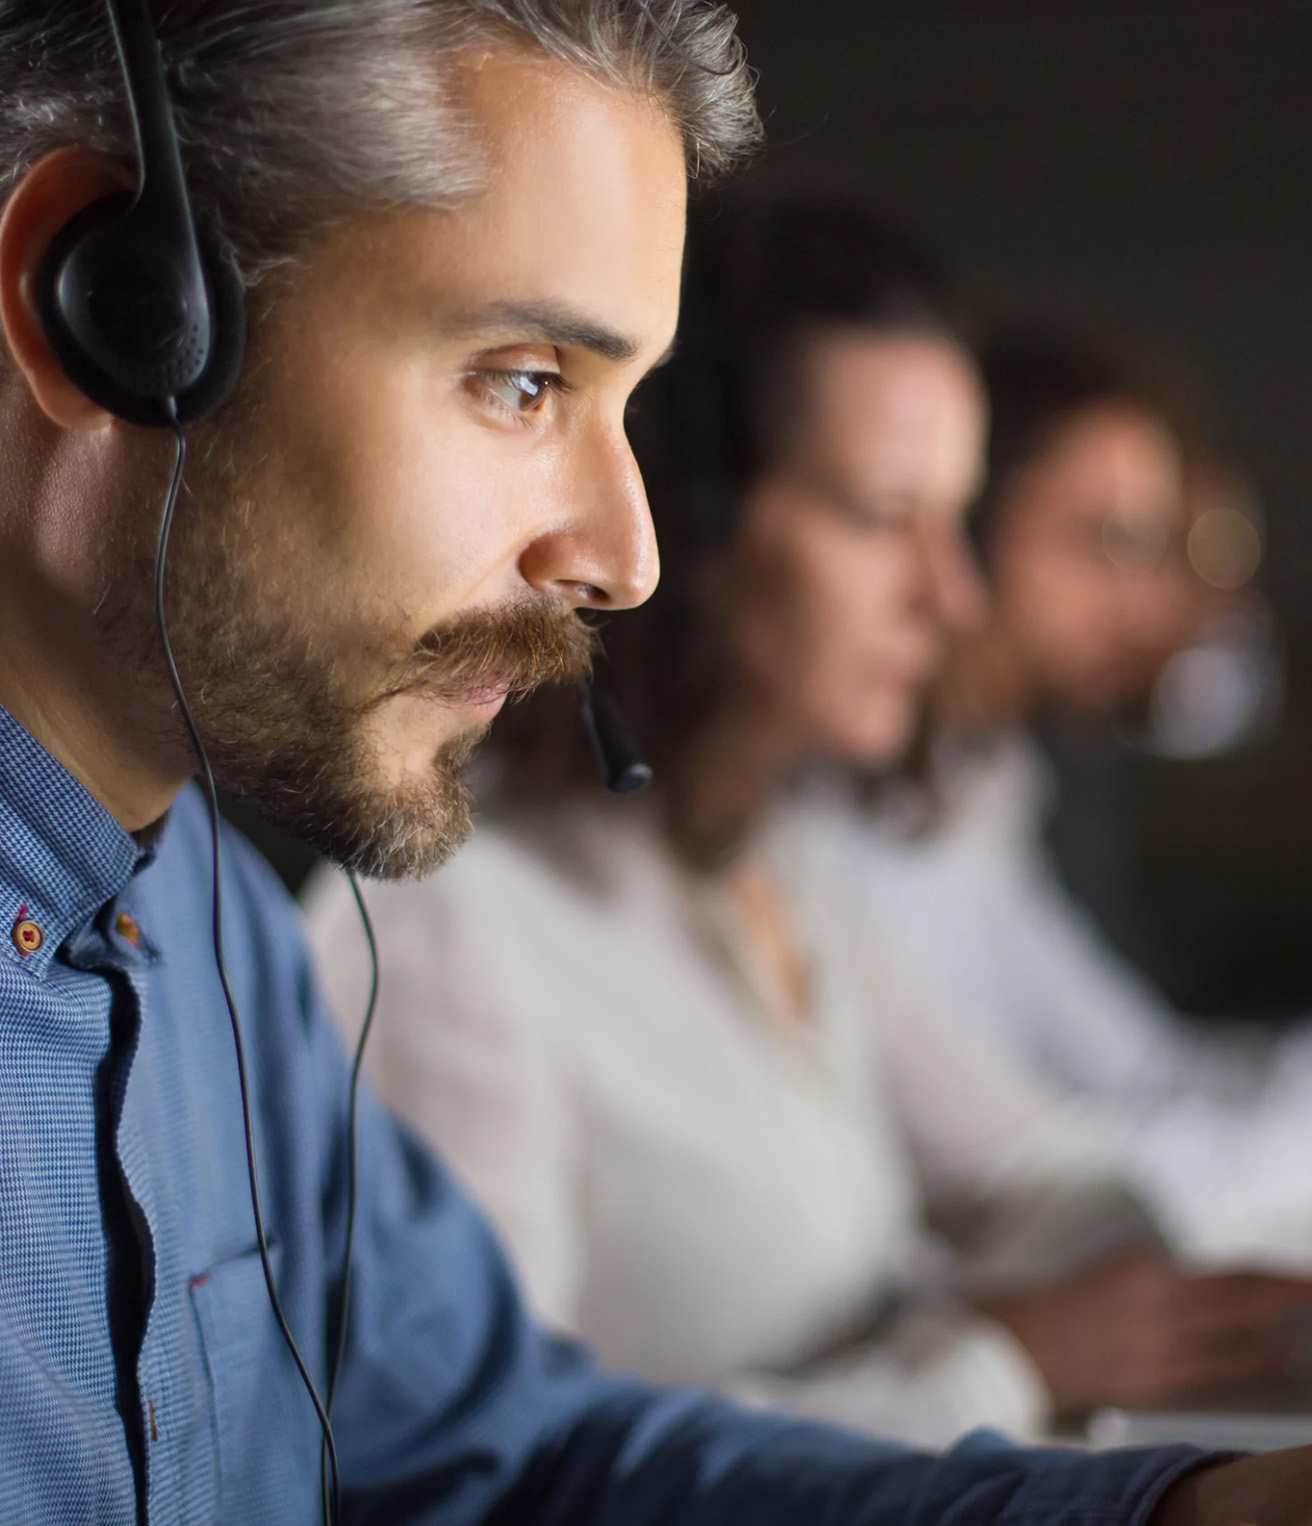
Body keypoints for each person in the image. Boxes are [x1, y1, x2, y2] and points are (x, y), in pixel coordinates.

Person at [4, 3, 1311, 1521]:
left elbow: (526, 1458)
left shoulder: (214, 931)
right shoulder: (423, 938)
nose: (627, 559)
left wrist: (1205, 1508)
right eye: (523, 378)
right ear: (110, 309)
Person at [307, 196, 1312, 1456]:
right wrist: (990, 1360)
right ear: (701, 528)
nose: (951, 596)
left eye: (954, 524)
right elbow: (487, 1469)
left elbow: (1049, 1173)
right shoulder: (456, 924)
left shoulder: (770, 874)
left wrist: (1217, 1307)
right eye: (885, 518)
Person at [847, 336, 1312, 1267]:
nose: (1152, 611)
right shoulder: (843, 824)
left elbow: (1134, 1068)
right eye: (1106, 545)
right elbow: (1040, 1176)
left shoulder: (986, 787)